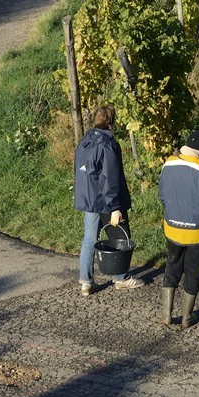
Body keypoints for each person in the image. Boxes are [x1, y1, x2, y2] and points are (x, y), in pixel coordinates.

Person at [158, 130, 199, 329]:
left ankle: (166, 314)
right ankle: (187, 316)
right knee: (194, 271)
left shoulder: (168, 163)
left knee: (172, 266)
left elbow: (161, 194)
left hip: (172, 229)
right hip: (198, 232)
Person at [73, 103, 134, 296]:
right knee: (119, 235)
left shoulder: (85, 141)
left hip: (89, 198)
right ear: (111, 122)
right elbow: (110, 176)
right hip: (106, 199)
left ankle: (86, 282)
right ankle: (121, 278)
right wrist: (115, 207)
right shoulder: (108, 144)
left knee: (90, 238)